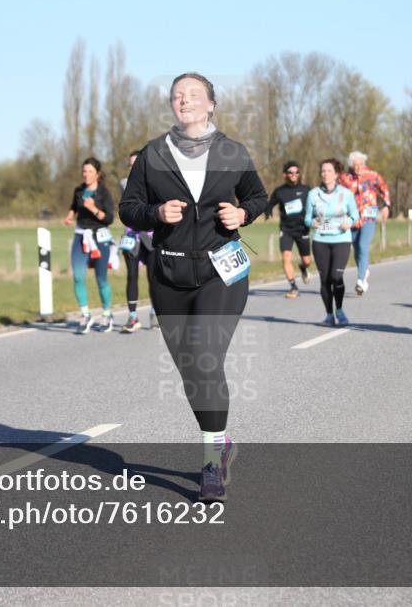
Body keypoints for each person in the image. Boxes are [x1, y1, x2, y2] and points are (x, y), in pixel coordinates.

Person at [119, 72, 267, 502]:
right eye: (178, 96)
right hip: (168, 274)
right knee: (191, 370)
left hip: (222, 272)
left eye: (194, 95)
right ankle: (221, 444)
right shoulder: (153, 154)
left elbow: (257, 197)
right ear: (172, 106)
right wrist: (155, 212)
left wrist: (242, 215)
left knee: (204, 357)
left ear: (211, 104)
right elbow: (129, 209)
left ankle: (209, 465)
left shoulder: (231, 152)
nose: (185, 101)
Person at [64, 157, 117, 334]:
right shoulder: (79, 190)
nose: (86, 175)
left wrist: (94, 208)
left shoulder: (104, 193)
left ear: (98, 174)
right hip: (81, 237)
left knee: (101, 279)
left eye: (90, 172)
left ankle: (107, 313)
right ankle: (86, 314)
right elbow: (74, 206)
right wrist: (70, 215)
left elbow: (109, 218)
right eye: (84, 171)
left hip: (100, 238)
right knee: (78, 276)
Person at [304, 158, 360, 327]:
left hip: (341, 239)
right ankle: (329, 314)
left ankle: (340, 310)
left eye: (329, 171)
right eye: (323, 171)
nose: (325, 174)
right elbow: (307, 217)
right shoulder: (313, 194)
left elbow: (355, 214)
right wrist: (311, 223)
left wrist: (349, 222)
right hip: (320, 240)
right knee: (325, 279)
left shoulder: (346, 193)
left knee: (336, 276)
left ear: (336, 174)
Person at [340, 151, 390, 295]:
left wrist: (386, 206)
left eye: (360, 164)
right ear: (351, 165)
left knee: (363, 245)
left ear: (364, 164)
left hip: (369, 215)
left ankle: (361, 280)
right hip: (352, 217)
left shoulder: (373, 176)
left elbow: (384, 190)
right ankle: (364, 270)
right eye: (355, 165)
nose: (358, 167)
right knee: (356, 249)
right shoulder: (344, 178)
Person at [119, 150, 157, 332]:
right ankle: (132, 317)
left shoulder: (156, 183)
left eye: (137, 163)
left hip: (150, 235)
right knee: (131, 275)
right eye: (130, 164)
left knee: (153, 278)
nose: (133, 167)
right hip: (132, 235)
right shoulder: (124, 185)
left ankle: (155, 312)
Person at [264, 161, 311, 298]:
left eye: (296, 172)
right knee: (286, 258)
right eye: (290, 172)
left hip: (302, 229)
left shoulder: (306, 190)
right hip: (286, 230)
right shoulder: (280, 191)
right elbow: (270, 204)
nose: (294, 175)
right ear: (285, 174)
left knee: (307, 260)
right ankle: (293, 287)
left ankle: (303, 268)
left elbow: (315, 204)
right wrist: (268, 212)